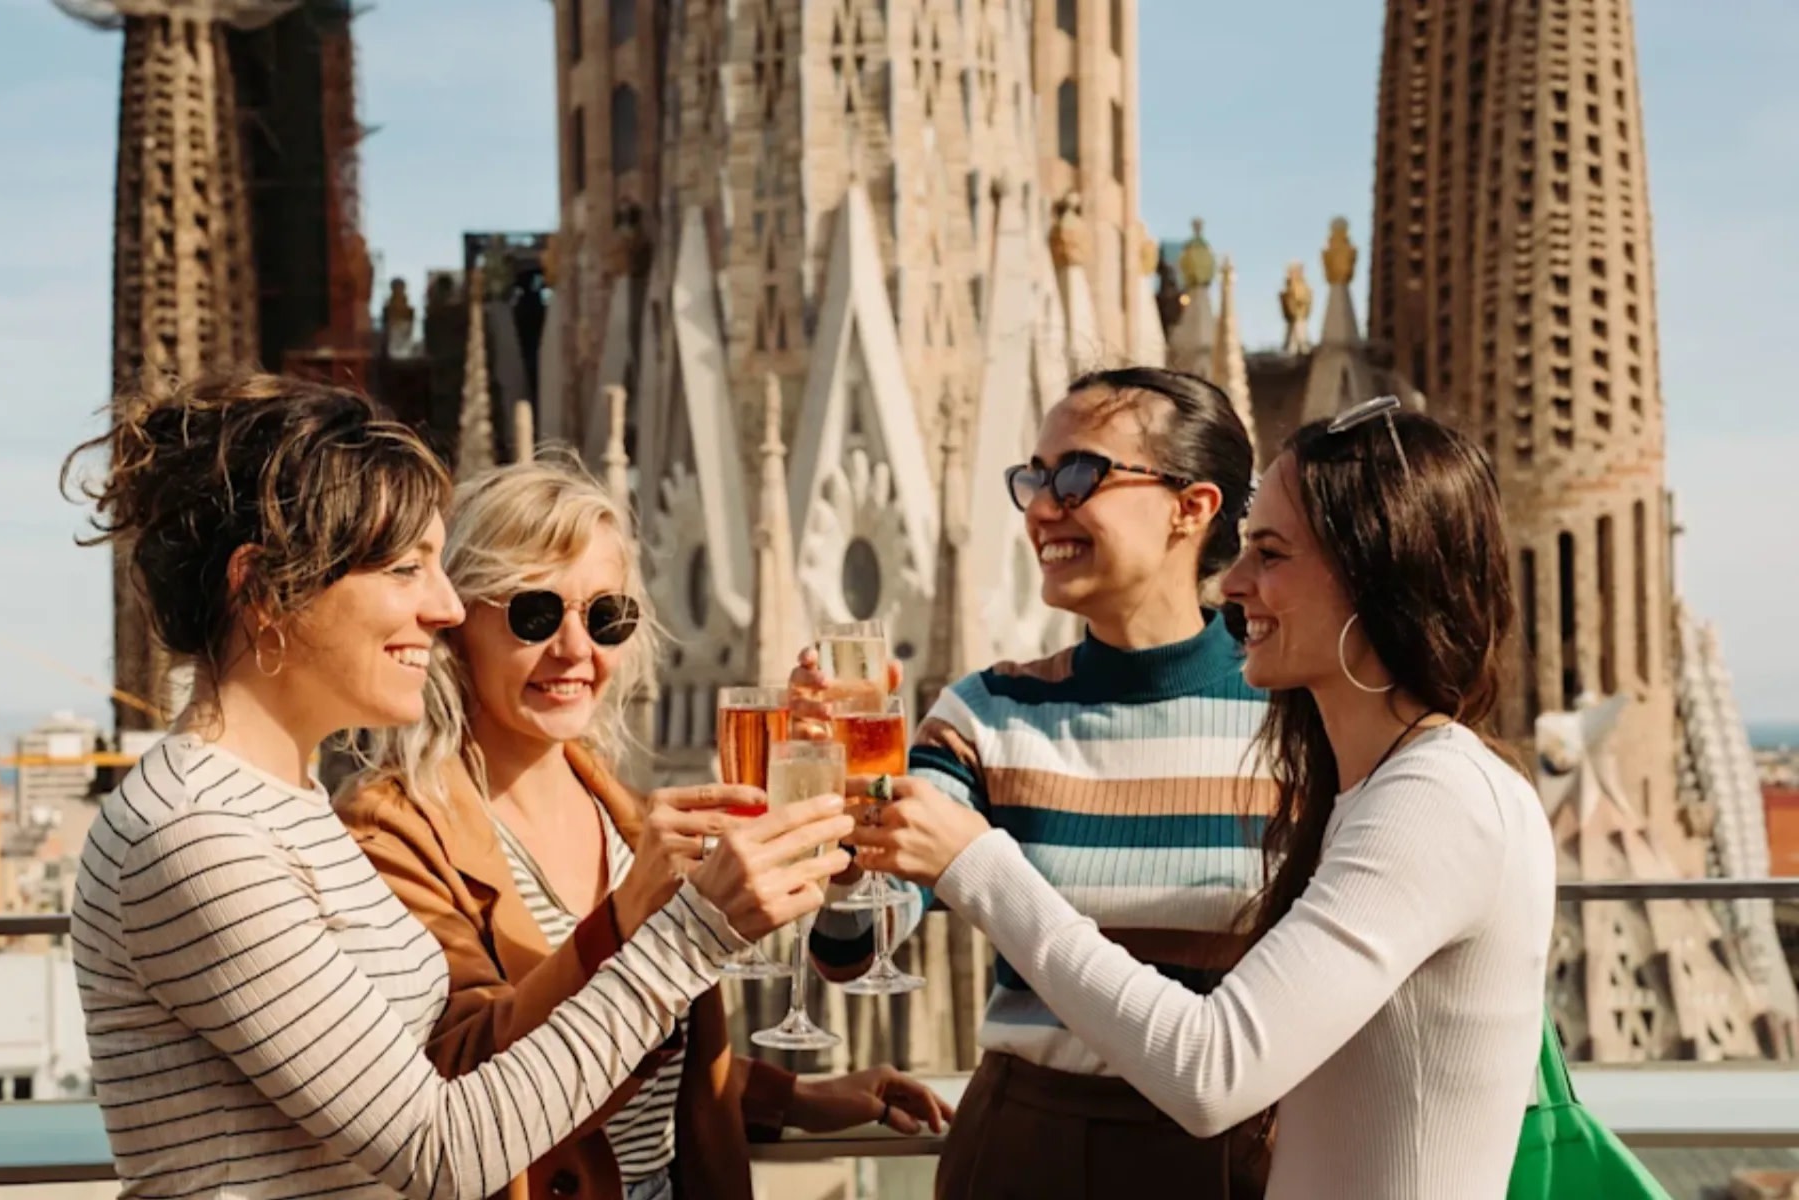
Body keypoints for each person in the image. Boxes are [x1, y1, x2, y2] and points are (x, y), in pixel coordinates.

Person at [62, 374, 854, 1200]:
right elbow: (444, 1151)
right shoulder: (199, 836)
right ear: (263, 591)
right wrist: (693, 933)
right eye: (407, 569)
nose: (444, 609)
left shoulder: (278, 803)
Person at [850, 399, 1556, 1200]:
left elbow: (1212, 1068)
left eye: (1272, 553)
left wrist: (979, 866)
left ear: (1373, 573)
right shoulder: (1384, 787)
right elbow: (854, 936)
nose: (1237, 582)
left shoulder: (1436, 798)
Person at [342, 459, 951, 1200]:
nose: (575, 650)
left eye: (605, 617)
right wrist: (633, 913)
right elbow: (462, 1081)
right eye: (535, 614)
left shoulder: (625, 813)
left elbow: (654, 1039)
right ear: (456, 621)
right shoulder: (392, 827)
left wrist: (796, 1099)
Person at [796, 367, 1273, 1199]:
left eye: (1080, 475)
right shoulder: (990, 709)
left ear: (1191, 509)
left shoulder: (1294, 714)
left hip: (1232, 1154)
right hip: (1026, 1148)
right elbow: (856, 950)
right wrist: (846, 829)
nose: (1044, 507)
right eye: (1034, 478)